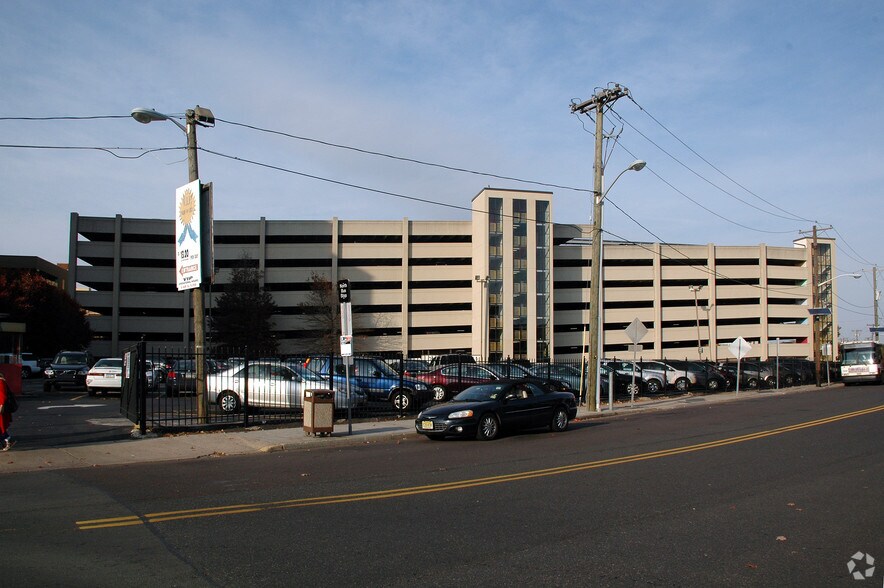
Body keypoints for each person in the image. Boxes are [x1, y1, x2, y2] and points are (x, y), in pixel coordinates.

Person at [0, 372, 13, 451]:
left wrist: (1, 406)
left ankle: (8, 439)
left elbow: (2, 396)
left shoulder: (0, 382)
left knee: (1, 426)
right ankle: (7, 440)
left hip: (1, 408)